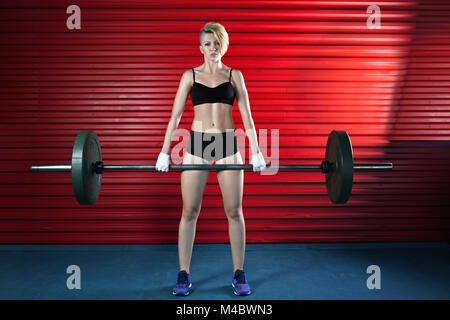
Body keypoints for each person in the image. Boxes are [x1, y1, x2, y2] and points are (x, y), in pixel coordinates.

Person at [155, 22, 266, 296]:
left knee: (234, 211)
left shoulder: (234, 75)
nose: (213, 48)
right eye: (207, 43)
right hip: (197, 145)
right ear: (200, 47)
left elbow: (248, 120)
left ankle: (239, 273)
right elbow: (175, 117)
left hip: (228, 143)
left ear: (223, 45)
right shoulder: (190, 76)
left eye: (217, 43)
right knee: (189, 212)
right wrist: (164, 151)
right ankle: (184, 274)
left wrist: (257, 151)